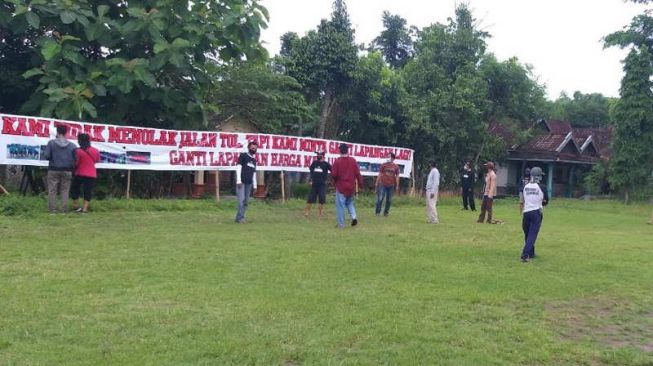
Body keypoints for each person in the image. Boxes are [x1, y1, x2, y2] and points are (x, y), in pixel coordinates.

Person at [44, 125, 76, 214]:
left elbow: (47, 156)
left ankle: (52, 210)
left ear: (57, 132)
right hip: (67, 170)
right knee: (65, 190)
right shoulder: (72, 145)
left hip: (53, 169)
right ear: (66, 133)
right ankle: (64, 210)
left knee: (52, 190)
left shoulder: (51, 143)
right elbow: (75, 159)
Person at [520, 166, 549, 262]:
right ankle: (525, 254)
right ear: (538, 177)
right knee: (532, 234)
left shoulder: (525, 186)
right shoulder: (542, 187)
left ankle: (531, 252)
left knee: (527, 233)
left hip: (526, 212)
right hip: (536, 212)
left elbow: (523, 199)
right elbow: (546, 201)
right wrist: (542, 202)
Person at [331, 143, 363, 228]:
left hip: (341, 187)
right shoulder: (353, 160)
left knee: (340, 206)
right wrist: (360, 184)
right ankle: (354, 217)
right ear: (347, 150)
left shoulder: (338, 161)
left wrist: (334, 181)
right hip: (351, 187)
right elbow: (358, 173)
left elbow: (334, 174)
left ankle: (341, 224)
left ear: (340, 151)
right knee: (349, 203)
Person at [71, 133, 100, 213]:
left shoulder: (78, 151)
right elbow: (97, 160)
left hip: (80, 173)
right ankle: (85, 209)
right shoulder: (95, 150)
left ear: (79, 141)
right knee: (88, 191)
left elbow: (76, 163)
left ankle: (75, 206)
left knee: (75, 189)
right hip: (91, 173)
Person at [235, 141, 258, 223]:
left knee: (246, 202)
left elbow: (254, 174)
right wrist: (238, 180)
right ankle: (241, 218)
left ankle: (239, 217)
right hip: (241, 182)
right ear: (248, 147)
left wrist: (255, 186)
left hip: (249, 183)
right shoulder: (243, 156)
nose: (254, 149)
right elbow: (238, 167)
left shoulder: (254, 160)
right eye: (252, 148)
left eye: (255, 148)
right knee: (241, 201)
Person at [304, 150, 331, 218]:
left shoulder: (326, 164)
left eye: (320, 155)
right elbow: (311, 172)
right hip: (314, 184)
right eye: (317, 155)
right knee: (310, 198)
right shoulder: (314, 163)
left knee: (322, 199)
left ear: (323, 156)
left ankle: (319, 214)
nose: (318, 157)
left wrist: (330, 180)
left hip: (322, 184)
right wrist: (310, 180)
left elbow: (333, 171)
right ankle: (307, 212)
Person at [375, 152, 400, 216]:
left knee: (389, 200)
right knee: (380, 198)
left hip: (391, 185)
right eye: (387, 156)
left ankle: (386, 212)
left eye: (389, 156)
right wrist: (377, 182)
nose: (387, 158)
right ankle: (377, 212)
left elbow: (397, 176)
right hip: (382, 184)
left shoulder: (396, 166)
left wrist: (397, 185)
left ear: (392, 158)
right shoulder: (383, 165)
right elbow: (380, 174)